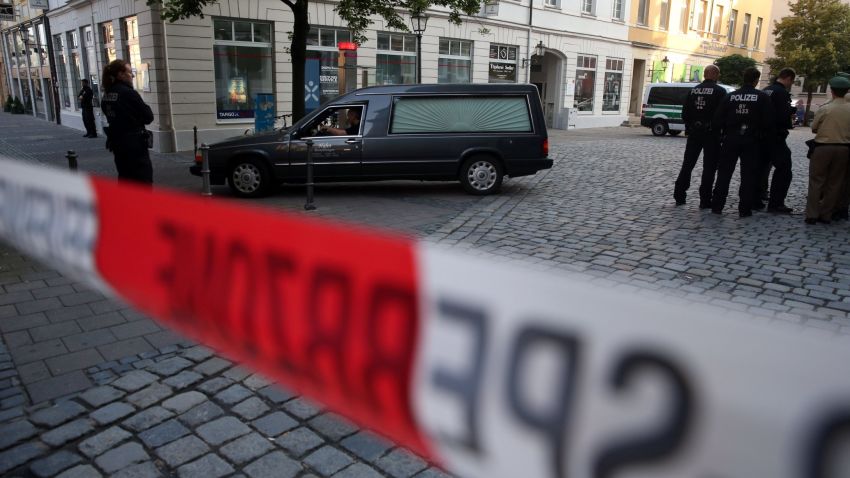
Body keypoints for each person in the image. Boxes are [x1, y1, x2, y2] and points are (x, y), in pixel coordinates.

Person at [710, 67, 774, 217]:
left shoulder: (730, 96)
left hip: (730, 138)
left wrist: (721, 136)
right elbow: (768, 122)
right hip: (752, 140)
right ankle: (744, 208)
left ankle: (717, 206)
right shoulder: (762, 97)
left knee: (724, 174)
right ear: (756, 80)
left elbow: (717, 120)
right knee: (748, 175)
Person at [673, 64, 727, 208]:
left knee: (687, 165)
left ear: (704, 74)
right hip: (711, 135)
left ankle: (679, 195)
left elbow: (685, 113)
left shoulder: (693, 90)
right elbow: (722, 115)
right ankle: (705, 200)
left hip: (694, 133)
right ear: (716, 75)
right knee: (709, 168)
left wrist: (691, 125)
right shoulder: (720, 92)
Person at [100, 59, 154, 184]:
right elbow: (148, 117)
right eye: (130, 72)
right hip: (135, 146)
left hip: (118, 145)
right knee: (142, 181)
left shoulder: (108, 94)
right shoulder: (128, 93)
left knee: (125, 179)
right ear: (120, 74)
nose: (133, 75)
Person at [805, 75, 850, 224]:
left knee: (816, 181)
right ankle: (826, 214)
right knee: (835, 182)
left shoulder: (826, 108)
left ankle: (812, 214)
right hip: (844, 148)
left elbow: (814, 128)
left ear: (832, 90)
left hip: (823, 147)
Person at [756, 68, 796, 213]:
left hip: (761, 136)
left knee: (761, 167)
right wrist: (791, 114)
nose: (791, 84)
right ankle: (776, 202)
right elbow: (782, 117)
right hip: (775, 136)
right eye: (791, 81)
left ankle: (757, 197)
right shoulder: (782, 93)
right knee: (784, 168)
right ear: (788, 78)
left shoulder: (766, 89)